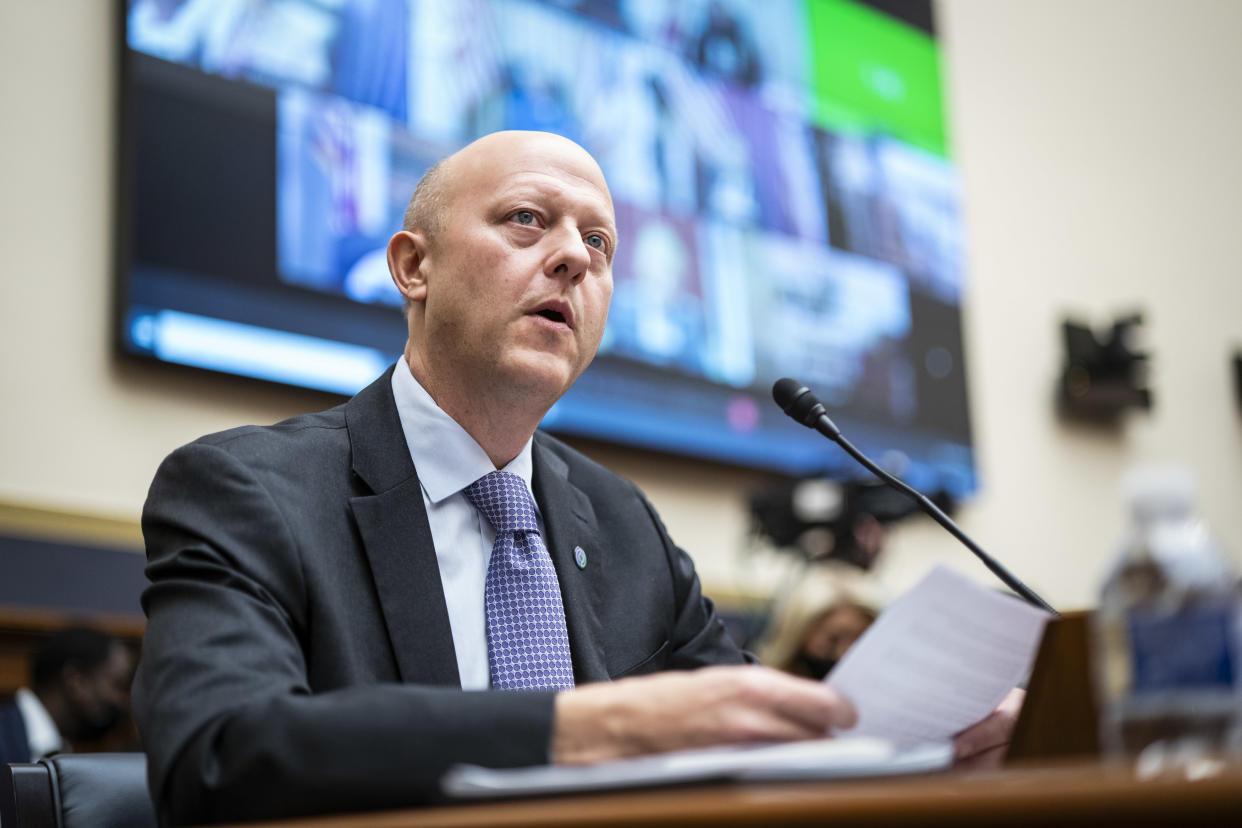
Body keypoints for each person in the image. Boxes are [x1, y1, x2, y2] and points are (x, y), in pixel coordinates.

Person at [132, 131, 1017, 825]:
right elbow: (214, 758)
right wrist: (588, 729)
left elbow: (761, 744)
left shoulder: (621, 520)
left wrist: (929, 755)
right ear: (414, 267)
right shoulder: (246, 490)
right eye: (527, 219)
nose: (575, 258)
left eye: (598, 240)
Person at [0, 627, 134, 765]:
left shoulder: (59, 749)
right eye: (119, 684)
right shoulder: (4, 740)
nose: (123, 702)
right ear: (76, 681)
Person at [759, 565, 882, 681]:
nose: (846, 652)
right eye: (833, 640)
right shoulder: (762, 686)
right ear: (799, 633)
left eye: (860, 640)